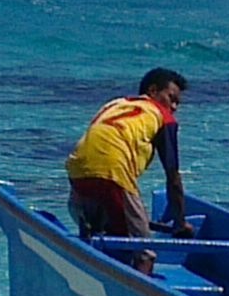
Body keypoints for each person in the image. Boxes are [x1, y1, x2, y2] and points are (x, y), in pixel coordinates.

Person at [66, 67, 188, 266]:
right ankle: (140, 292)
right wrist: (181, 223)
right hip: (113, 171)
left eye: (177, 103)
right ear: (153, 91)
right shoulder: (163, 117)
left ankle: (95, 256)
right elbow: (173, 176)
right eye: (171, 98)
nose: (173, 107)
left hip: (77, 170)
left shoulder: (115, 104)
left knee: (102, 228)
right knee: (145, 252)